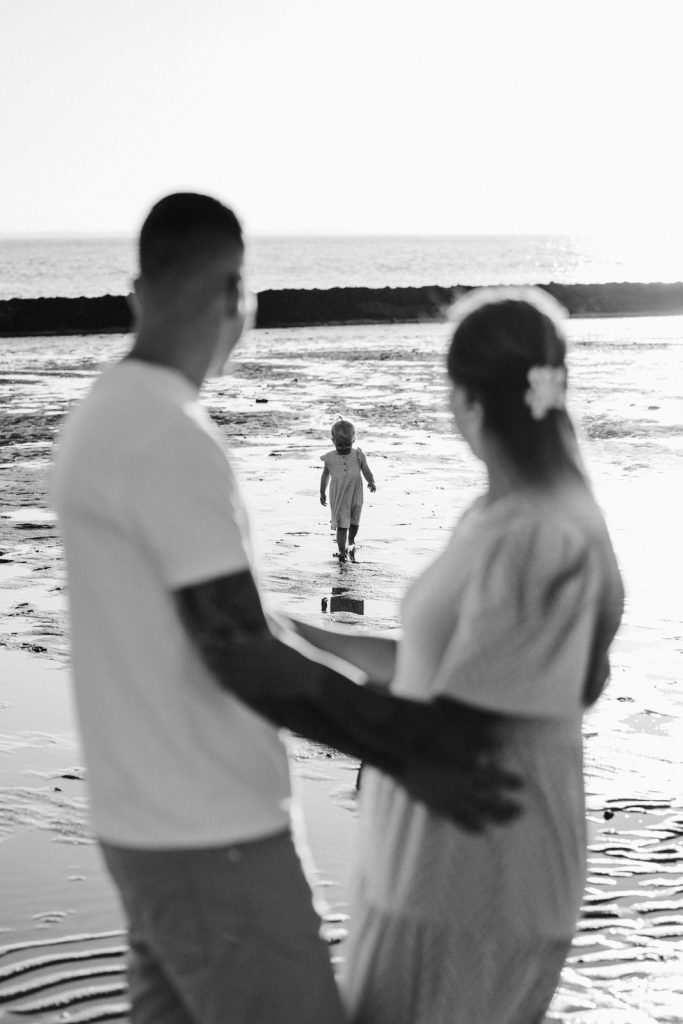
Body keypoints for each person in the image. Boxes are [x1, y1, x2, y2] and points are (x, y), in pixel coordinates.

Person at [52, 193, 521, 1024]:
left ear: (137, 288)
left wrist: (379, 659)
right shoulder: (168, 433)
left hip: (144, 833)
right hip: (214, 840)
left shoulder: (101, 418)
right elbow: (237, 650)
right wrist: (413, 748)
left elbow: (222, 623)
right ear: (236, 293)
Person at [287, 287, 625, 1023]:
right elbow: (441, 661)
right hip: (429, 873)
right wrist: (306, 634)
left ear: (467, 401)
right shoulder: (496, 515)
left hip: (475, 882)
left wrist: (286, 681)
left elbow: (453, 727)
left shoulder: (536, 536)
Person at [320, 416, 376, 561]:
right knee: (342, 525)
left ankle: (351, 540)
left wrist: (371, 481)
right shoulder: (330, 458)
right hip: (339, 496)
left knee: (355, 521)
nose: (344, 449)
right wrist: (322, 492)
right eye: (340, 446)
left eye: (347, 445)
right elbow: (325, 475)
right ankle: (341, 550)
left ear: (354, 440)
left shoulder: (358, 455)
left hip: (356, 495)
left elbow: (366, 470)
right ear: (333, 441)